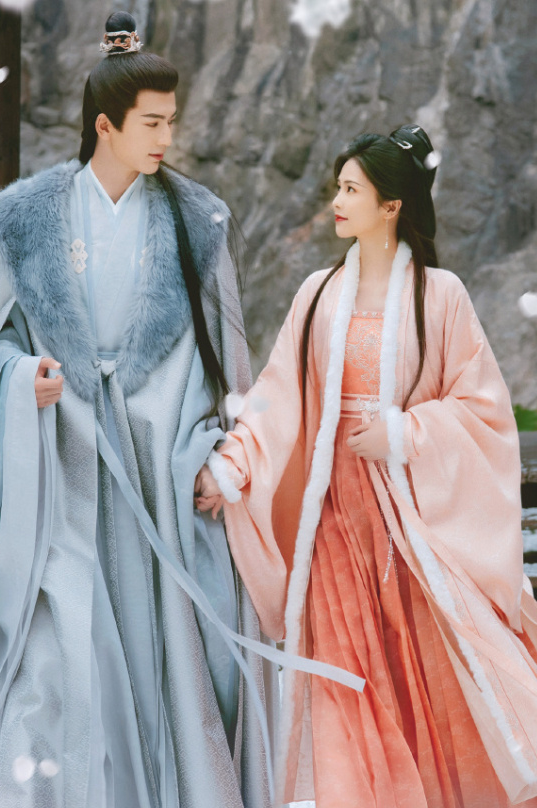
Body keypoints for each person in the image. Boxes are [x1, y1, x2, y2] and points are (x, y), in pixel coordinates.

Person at [0, 12, 278, 808]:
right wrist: (24, 377)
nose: (167, 137)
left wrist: (221, 451)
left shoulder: (195, 221)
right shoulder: (30, 220)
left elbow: (226, 358)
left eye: (172, 120)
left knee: (165, 655)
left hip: (156, 462)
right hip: (63, 465)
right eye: (152, 122)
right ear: (105, 125)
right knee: (57, 659)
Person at [196, 124, 537, 808]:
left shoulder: (441, 296)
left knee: (428, 670)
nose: (337, 202)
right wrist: (233, 464)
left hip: (411, 519)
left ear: (392, 205)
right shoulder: (317, 294)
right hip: (333, 519)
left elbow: (482, 408)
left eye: (352, 190)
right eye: (339, 188)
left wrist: (406, 431)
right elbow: (277, 394)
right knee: (346, 675)